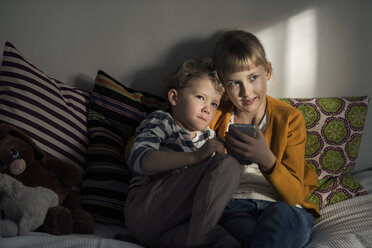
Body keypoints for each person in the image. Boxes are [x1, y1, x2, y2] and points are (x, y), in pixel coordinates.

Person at [210, 30, 320, 248]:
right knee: (238, 234)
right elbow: (176, 132)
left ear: (267, 71)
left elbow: (294, 194)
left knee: (278, 220)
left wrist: (267, 160)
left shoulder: (289, 118)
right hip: (236, 206)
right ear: (222, 84)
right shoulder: (215, 116)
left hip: (284, 206)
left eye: (252, 77)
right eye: (234, 83)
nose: (246, 91)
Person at [124, 58, 243, 248]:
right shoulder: (163, 121)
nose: (207, 108)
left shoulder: (209, 137)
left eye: (214, 104)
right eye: (200, 97)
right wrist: (195, 157)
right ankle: (200, 237)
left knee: (228, 243)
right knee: (228, 164)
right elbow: (139, 158)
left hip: (178, 226)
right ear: (174, 98)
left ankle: (198, 238)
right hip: (147, 209)